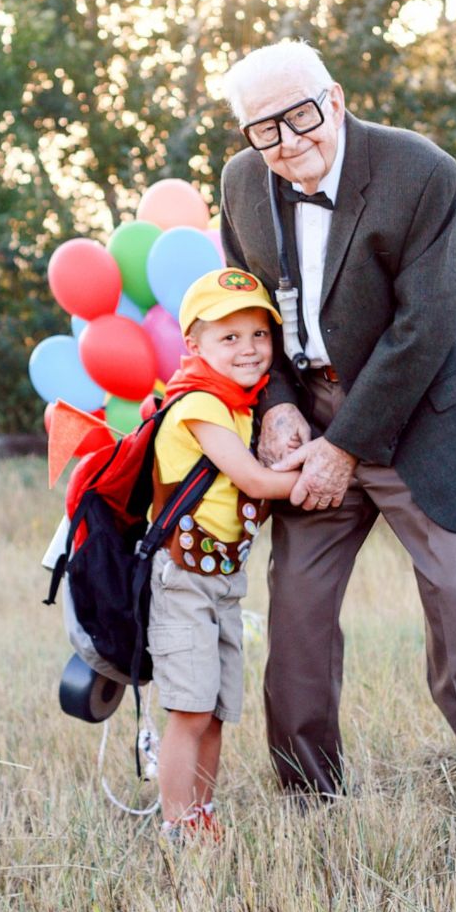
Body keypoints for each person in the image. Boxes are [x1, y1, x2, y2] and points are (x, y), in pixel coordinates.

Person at [219, 40, 456, 814]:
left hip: (418, 417)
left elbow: (425, 326)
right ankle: (309, 796)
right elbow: (248, 316)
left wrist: (347, 444)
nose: (287, 141)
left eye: (298, 116)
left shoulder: (420, 171)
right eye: (263, 129)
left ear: (332, 98)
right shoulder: (239, 185)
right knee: (295, 608)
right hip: (310, 420)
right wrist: (277, 405)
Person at [148, 267, 301, 841]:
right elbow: (256, 483)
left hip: (223, 579)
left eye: (259, 335)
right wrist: (328, 474)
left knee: (213, 710)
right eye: (229, 337)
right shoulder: (200, 405)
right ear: (194, 344)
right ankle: (176, 824)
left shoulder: (240, 404)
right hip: (184, 579)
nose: (249, 349)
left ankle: (201, 816)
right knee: (188, 710)